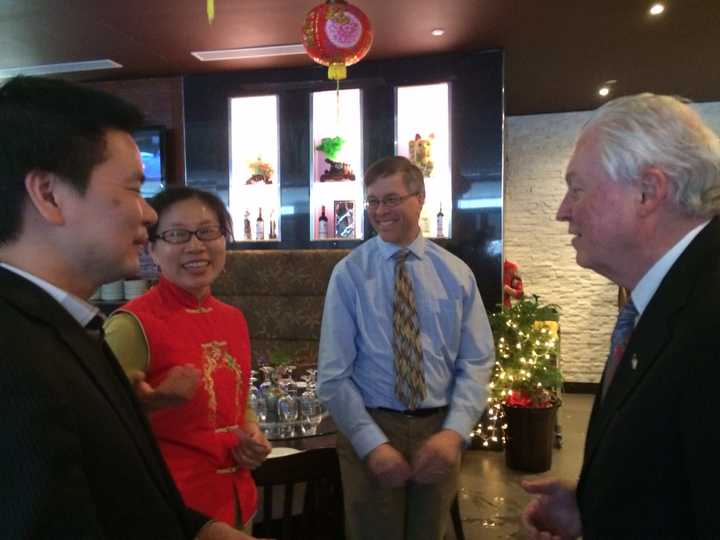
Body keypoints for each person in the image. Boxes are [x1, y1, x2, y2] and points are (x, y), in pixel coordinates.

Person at [0, 75, 258, 539]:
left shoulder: (70, 326)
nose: (149, 214)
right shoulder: (13, 354)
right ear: (49, 195)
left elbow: (118, 498)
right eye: (134, 189)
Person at [522, 93, 720, 538]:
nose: (562, 211)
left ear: (648, 192)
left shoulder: (711, 320)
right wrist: (594, 510)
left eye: (577, 188)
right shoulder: (670, 296)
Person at [317, 156, 494, 540]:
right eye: (373, 201)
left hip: (438, 428)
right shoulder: (348, 274)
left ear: (420, 198)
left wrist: (455, 432)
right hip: (371, 424)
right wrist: (372, 444)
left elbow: (477, 361)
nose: (381, 211)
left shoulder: (456, 274)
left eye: (391, 199)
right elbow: (332, 375)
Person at [104, 187, 271, 532]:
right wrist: (153, 402)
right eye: (177, 235)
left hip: (239, 502)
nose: (195, 246)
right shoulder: (132, 324)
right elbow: (99, 426)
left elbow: (237, 404)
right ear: (152, 248)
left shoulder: (233, 318)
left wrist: (252, 434)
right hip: (174, 514)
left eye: (208, 231)